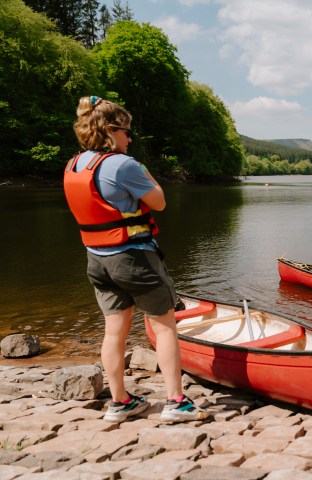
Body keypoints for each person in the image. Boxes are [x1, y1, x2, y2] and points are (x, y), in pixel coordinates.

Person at [64, 96, 205, 423]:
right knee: (165, 327)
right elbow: (158, 202)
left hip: (96, 261)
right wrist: (146, 172)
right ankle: (176, 403)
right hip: (133, 259)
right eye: (127, 132)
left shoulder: (74, 164)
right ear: (111, 132)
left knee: (114, 331)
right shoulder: (124, 165)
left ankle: (120, 402)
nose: (130, 138)